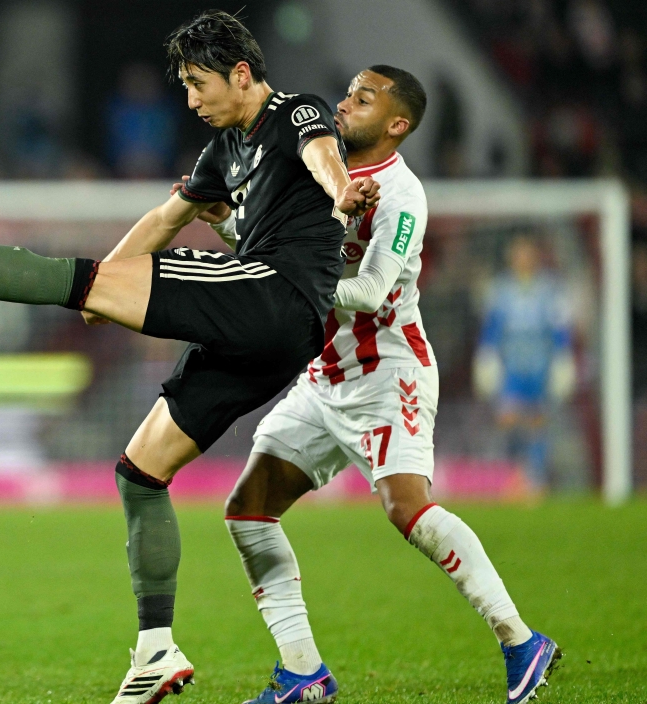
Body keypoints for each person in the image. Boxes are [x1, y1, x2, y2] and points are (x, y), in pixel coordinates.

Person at [0, 10, 379, 703]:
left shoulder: (293, 111)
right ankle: (157, 652)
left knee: (73, 276)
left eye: (197, 83)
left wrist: (341, 192)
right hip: (268, 335)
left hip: (276, 295)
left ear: (241, 75)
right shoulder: (223, 153)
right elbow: (165, 219)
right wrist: (108, 284)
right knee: (140, 471)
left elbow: (321, 154)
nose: (190, 99)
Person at [192, 67, 560, 704]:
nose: (343, 103)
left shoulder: (402, 195)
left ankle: (521, 641)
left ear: (397, 125)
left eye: (363, 99)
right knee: (248, 513)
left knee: (405, 508)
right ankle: (304, 673)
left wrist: (285, 285)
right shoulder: (318, 165)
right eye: (347, 92)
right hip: (325, 377)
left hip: (389, 374)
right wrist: (226, 221)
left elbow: (369, 291)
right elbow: (268, 248)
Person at [473, 234, 576, 492]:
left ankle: (536, 481)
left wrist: (563, 358)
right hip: (511, 369)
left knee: (538, 424)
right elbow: (491, 328)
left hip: (539, 367)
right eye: (517, 253)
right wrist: (486, 356)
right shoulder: (500, 289)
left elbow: (559, 329)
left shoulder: (550, 289)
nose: (522, 258)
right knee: (508, 422)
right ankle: (511, 480)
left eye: (526, 252)